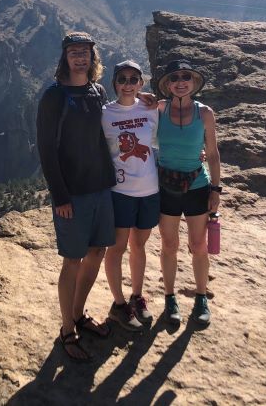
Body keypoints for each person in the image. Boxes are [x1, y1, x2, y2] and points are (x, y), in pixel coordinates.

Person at [36, 32, 116, 361]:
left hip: (100, 188)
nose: (80, 58)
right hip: (73, 194)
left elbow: (107, 130)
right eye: (74, 53)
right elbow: (46, 149)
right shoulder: (54, 96)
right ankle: (67, 329)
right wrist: (60, 196)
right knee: (73, 260)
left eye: (85, 52)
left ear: (92, 57)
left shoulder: (97, 91)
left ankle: (79, 314)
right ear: (65, 58)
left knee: (97, 251)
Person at [156, 59, 221, 326]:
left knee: (198, 246)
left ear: (193, 83)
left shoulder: (204, 113)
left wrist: (216, 189)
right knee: (169, 245)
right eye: (175, 78)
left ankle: (201, 296)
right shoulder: (159, 109)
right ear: (168, 85)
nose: (180, 82)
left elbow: (213, 154)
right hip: (166, 187)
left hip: (197, 186)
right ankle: (170, 298)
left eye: (186, 77)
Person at [102, 60, 159, 331]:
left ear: (141, 83)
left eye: (133, 79)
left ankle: (137, 297)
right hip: (121, 192)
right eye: (122, 79)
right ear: (114, 83)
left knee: (139, 246)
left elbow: (173, 130)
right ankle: (119, 304)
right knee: (116, 248)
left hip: (149, 190)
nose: (127, 84)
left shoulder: (152, 109)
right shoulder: (105, 114)